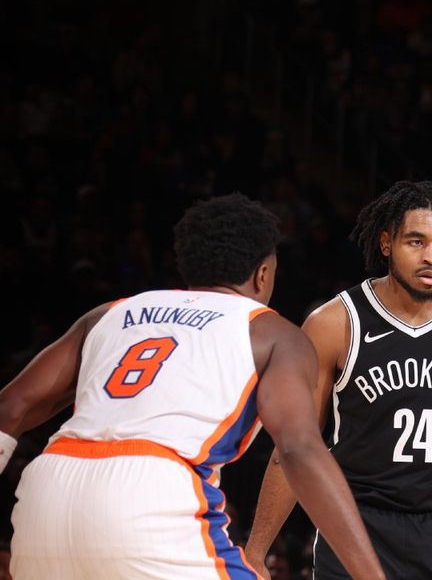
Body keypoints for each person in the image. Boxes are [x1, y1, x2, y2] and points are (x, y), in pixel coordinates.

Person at [0, 194, 385, 580]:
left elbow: (12, 407)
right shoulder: (272, 332)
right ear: (263, 274)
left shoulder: (109, 313)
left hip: (47, 490)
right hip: (152, 493)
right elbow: (298, 448)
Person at [245, 180, 432, 578]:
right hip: (356, 526)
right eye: (416, 242)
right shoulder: (335, 324)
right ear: (387, 244)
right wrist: (255, 553)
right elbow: (297, 443)